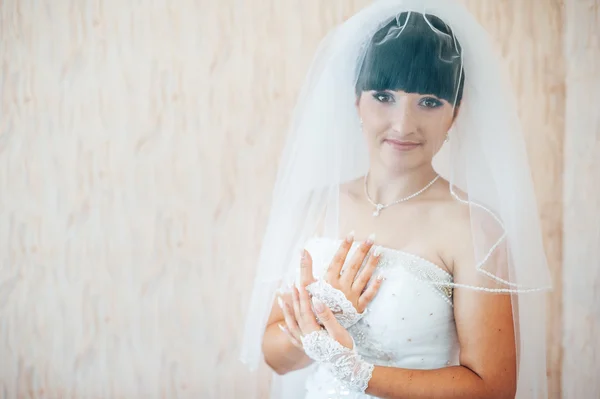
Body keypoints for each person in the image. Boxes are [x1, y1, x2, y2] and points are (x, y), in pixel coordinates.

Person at [241, 1, 552, 398]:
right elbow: (274, 357)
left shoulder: (474, 227)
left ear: (454, 114)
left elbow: (494, 387)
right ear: (357, 102)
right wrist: (324, 316)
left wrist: (357, 371)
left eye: (429, 101)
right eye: (384, 95)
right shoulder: (316, 207)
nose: (403, 124)